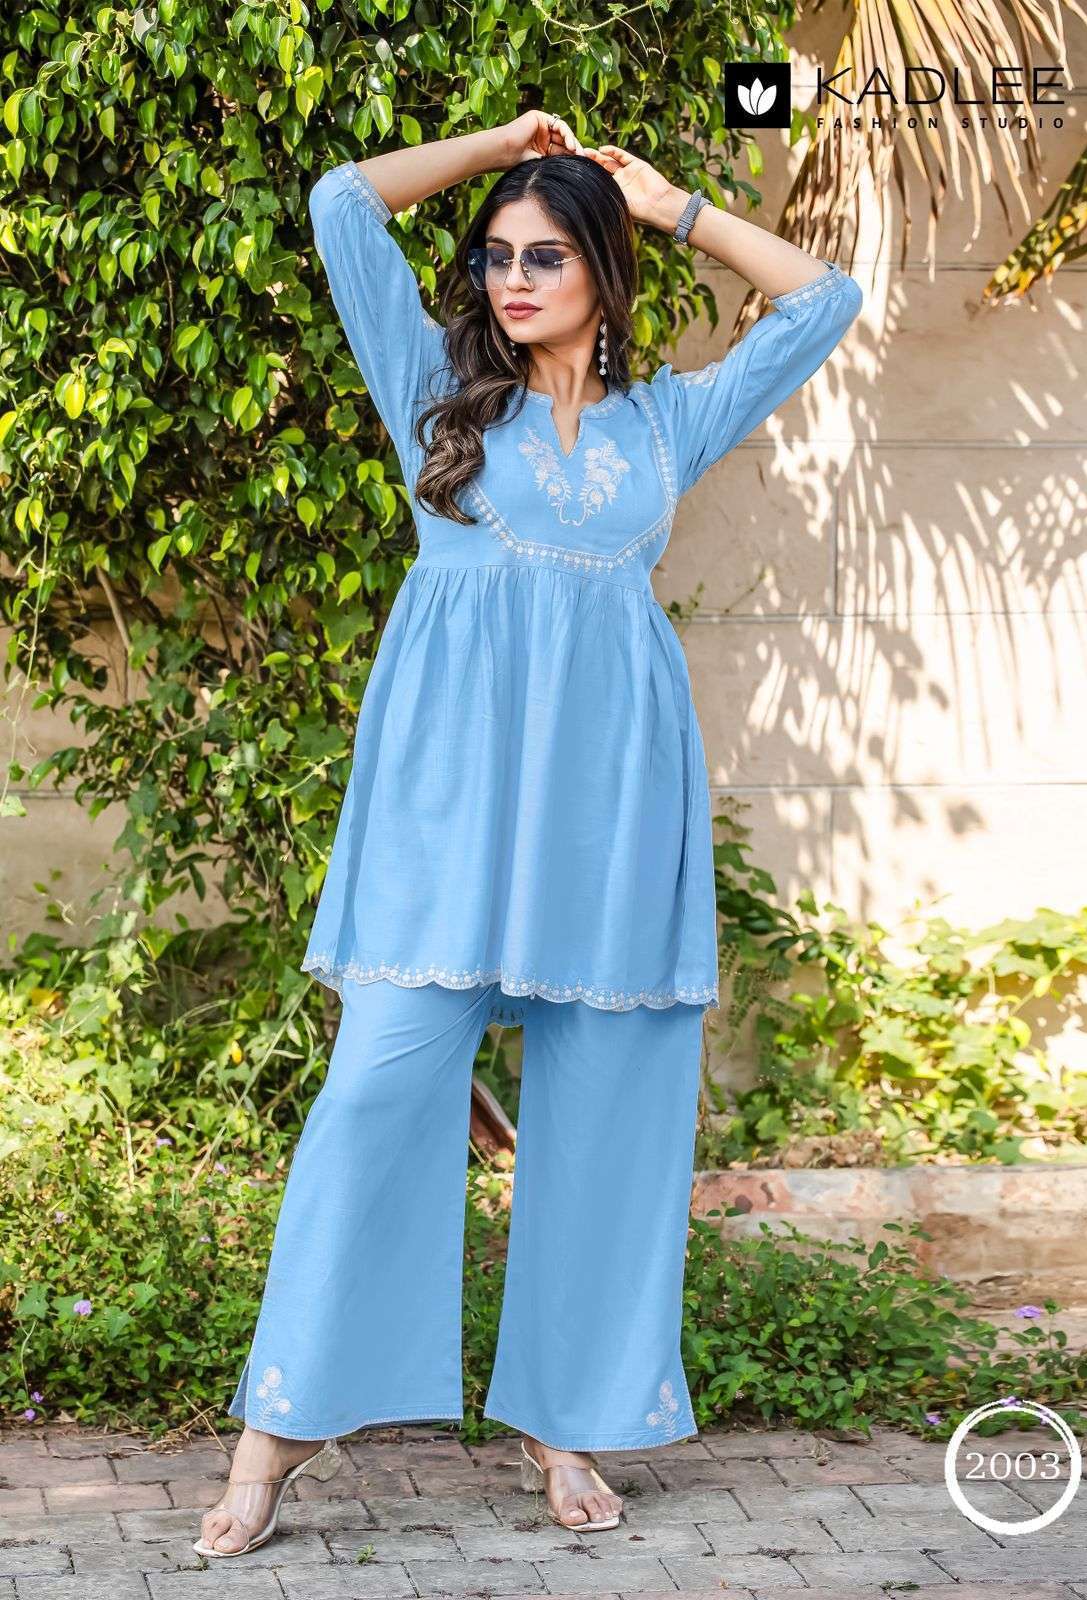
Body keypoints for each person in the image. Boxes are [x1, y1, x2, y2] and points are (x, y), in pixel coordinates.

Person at [196, 107, 863, 1559]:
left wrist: (675, 206)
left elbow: (826, 298)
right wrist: (498, 146)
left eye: (545, 256)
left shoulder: (666, 423)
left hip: (611, 811)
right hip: (443, 814)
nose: (511, 279)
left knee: (610, 1120)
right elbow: (338, 201)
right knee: (376, 1095)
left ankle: (566, 1422)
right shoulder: (437, 394)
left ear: (602, 274)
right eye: (497, 256)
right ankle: (274, 1436)